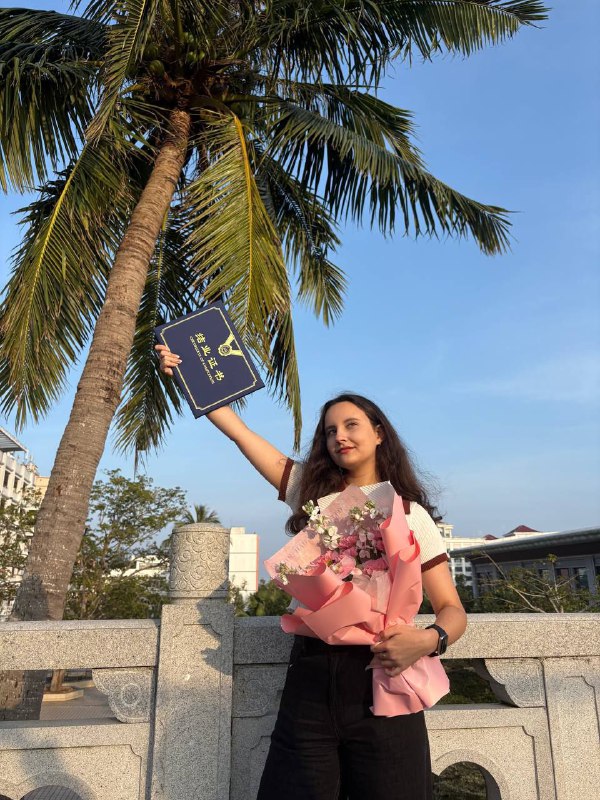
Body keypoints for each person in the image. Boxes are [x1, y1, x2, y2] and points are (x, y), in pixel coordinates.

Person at [156, 343, 467, 800]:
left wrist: (427, 640)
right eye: (330, 431)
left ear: (379, 433)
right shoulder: (312, 494)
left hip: (384, 672)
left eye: (351, 425)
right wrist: (189, 378)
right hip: (311, 678)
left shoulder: (410, 514)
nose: (340, 436)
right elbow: (241, 434)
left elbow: (451, 609)